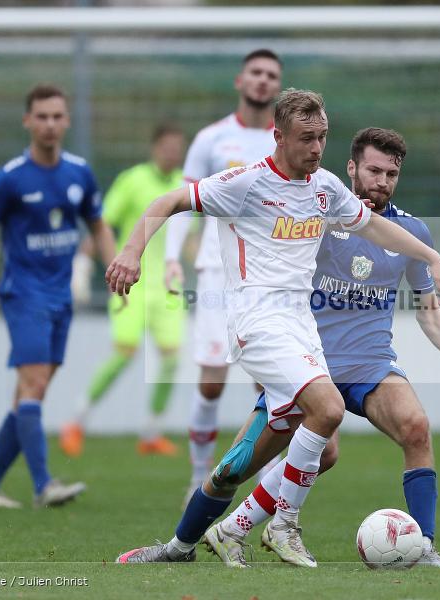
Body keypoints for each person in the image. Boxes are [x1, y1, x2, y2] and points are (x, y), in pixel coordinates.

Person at [107, 88, 440, 567]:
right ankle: (284, 525)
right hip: (257, 322)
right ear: (279, 136)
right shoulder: (245, 183)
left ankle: (184, 545)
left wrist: (431, 255)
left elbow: (373, 228)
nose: (316, 148)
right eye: (307, 138)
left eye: (323, 137)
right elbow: (168, 201)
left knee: (240, 464)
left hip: (300, 330)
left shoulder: (325, 187)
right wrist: (131, 252)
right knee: (328, 409)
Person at [203, 128, 440, 568]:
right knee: (304, 457)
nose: (382, 180)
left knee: (416, 428)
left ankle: (422, 548)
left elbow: (428, 311)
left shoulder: (411, 234)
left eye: (391, 173)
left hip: (370, 365)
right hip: (309, 361)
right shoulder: (314, 219)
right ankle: (229, 527)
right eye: (374, 170)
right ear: (351, 168)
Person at [0, 83, 117, 508]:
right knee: (32, 385)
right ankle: (43, 485)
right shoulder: (11, 178)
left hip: (60, 297)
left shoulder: (78, 172)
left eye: (56, 116)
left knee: (30, 393)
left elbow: (99, 225)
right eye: (41, 116)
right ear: (28, 121)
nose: (49, 124)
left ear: (66, 121)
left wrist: (116, 269)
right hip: (24, 295)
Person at [164, 49, 283, 497]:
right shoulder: (211, 139)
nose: (262, 80)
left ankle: (266, 486)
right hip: (217, 272)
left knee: (271, 386)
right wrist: (173, 257)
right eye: (256, 72)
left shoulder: (283, 141)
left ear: (278, 86)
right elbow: (181, 204)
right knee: (212, 381)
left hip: (269, 279)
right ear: (240, 80)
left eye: (271, 75)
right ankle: (198, 477)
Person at [60, 124, 187, 457]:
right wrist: (82, 265)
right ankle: (77, 421)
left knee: (173, 361)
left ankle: (151, 433)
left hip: (168, 291)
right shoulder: (133, 180)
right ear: (155, 148)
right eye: (167, 146)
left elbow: (192, 238)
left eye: (178, 147)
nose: (172, 153)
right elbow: (103, 224)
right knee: (124, 353)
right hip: (132, 284)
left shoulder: (185, 186)